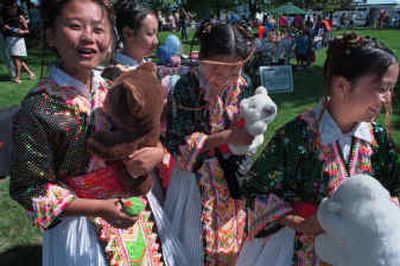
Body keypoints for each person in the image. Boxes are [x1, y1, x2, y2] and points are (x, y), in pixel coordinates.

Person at [9, 1, 173, 265]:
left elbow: (147, 131)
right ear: (50, 35)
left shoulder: (116, 86)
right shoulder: (39, 107)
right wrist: (99, 208)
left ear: (110, 38)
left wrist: (156, 152)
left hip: (135, 208)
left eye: (98, 29)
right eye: (75, 26)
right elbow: (29, 189)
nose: (88, 37)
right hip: (81, 228)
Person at [239, 33, 399, 265]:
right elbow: (256, 191)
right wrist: (300, 222)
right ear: (342, 85)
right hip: (306, 252)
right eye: (383, 88)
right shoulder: (296, 137)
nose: (387, 98)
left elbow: (396, 187)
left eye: (391, 89)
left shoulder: (379, 140)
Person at [164, 21, 283, 265]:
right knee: (196, 244)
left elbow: (250, 119)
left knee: (234, 238)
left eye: (234, 70)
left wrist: (250, 130)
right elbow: (176, 142)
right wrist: (227, 137)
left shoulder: (243, 84)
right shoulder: (186, 87)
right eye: (217, 70)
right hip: (196, 182)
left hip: (234, 175)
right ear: (201, 59)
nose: (226, 78)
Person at [113, 2, 158, 69]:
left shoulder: (148, 66)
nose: (156, 41)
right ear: (128, 33)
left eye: (156, 34)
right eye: (150, 34)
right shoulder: (115, 72)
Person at [2, 0, 34, 84]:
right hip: (10, 35)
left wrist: (24, 30)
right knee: (16, 58)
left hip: (15, 36)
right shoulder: (5, 8)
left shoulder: (16, 8)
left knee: (16, 58)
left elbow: (23, 21)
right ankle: (30, 73)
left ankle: (18, 78)